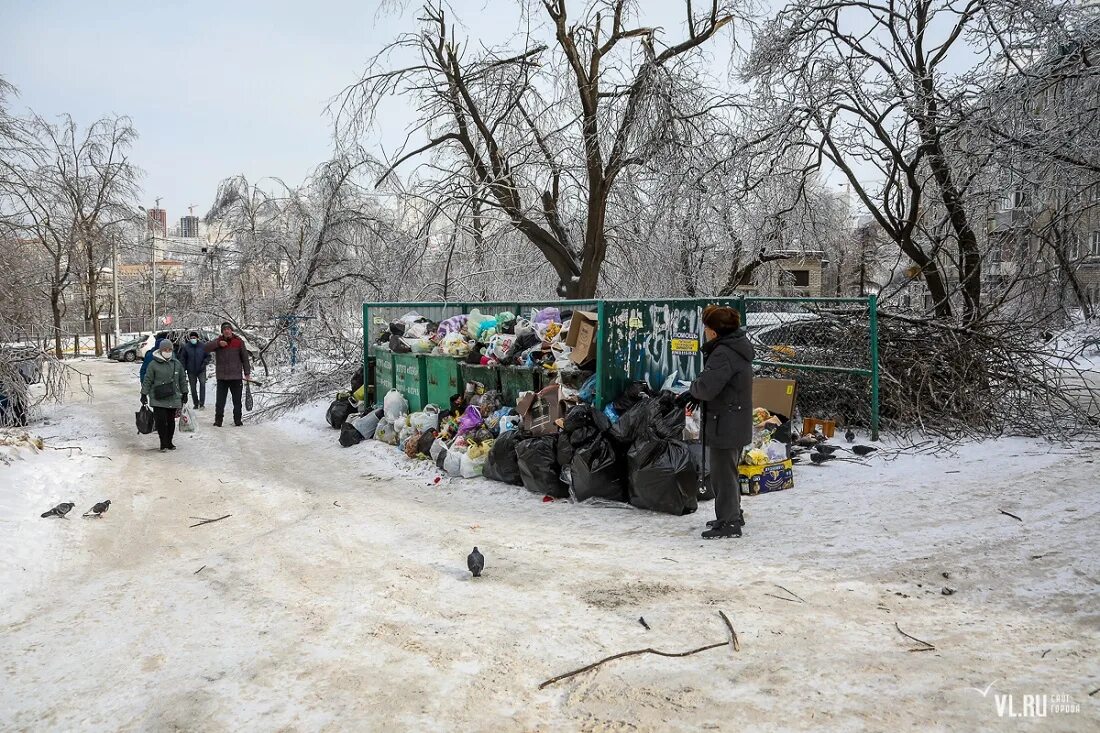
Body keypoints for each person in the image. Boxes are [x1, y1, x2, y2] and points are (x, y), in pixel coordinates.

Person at [682, 305, 754, 539]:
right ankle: (732, 513)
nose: (704, 331)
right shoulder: (735, 348)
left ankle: (729, 522)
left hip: (725, 421)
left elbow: (707, 386)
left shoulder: (724, 353)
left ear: (714, 331)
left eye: (706, 327)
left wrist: (692, 390)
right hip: (734, 417)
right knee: (729, 472)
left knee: (723, 474)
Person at [140, 339, 188, 452]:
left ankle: (169, 441)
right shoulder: (153, 364)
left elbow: (182, 379)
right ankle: (163, 442)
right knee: (161, 421)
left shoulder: (176, 364)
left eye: (170, 349)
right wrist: (143, 394)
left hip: (173, 396)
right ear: (160, 350)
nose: (168, 351)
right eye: (165, 349)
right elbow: (148, 380)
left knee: (171, 420)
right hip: (158, 397)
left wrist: (185, 392)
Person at [204, 321, 251, 427]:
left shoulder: (239, 342)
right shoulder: (218, 341)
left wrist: (247, 372)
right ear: (222, 332)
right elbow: (205, 348)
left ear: (231, 330)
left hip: (236, 377)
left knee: (237, 401)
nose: (226, 331)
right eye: (224, 329)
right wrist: (218, 344)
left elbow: (245, 358)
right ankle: (218, 420)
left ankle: (238, 420)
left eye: (228, 329)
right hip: (222, 377)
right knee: (220, 402)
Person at [179, 331, 212, 410]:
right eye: (191, 338)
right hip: (191, 371)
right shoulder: (186, 347)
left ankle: (202, 403)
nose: (193, 339)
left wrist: (204, 363)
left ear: (197, 338)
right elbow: (183, 359)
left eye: (194, 338)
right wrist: (183, 369)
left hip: (201, 369)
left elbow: (208, 356)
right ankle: (196, 403)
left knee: (202, 385)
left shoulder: (203, 346)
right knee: (193, 387)